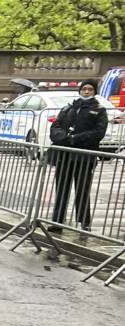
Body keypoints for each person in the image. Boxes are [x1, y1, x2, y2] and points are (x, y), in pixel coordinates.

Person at [49, 80, 107, 230]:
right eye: (84, 89)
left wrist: (75, 139)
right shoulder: (68, 108)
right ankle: (57, 221)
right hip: (65, 156)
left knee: (82, 190)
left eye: (90, 89)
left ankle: (84, 222)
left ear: (94, 92)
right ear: (80, 91)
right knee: (61, 189)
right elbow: (55, 127)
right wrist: (63, 138)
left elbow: (98, 133)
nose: (86, 92)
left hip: (83, 157)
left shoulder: (99, 110)